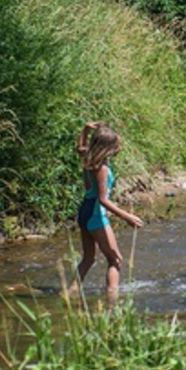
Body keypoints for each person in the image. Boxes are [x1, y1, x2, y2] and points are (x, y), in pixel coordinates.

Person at [73, 122, 144, 299]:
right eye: (116, 145)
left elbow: (79, 147)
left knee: (88, 259)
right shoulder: (102, 169)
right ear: (106, 148)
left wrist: (86, 129)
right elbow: (103, 200)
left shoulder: (89, 158)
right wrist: (128, 217)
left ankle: (69, 294)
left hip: (85, 212)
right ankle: (112, 303)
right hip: (96, 216)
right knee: (115, 260)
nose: (119, 148)